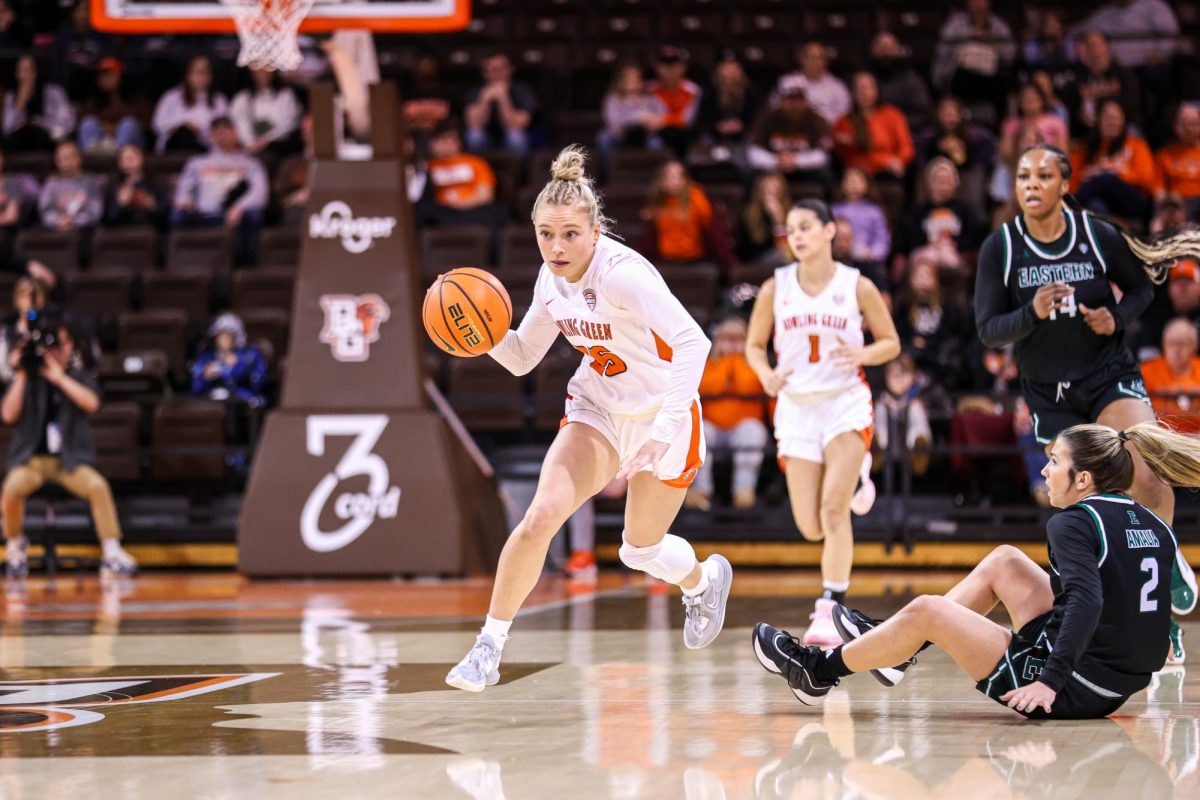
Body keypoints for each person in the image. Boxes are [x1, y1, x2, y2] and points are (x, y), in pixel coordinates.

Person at [444, 147, 733, 692]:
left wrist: (662, 433)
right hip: (597, 406)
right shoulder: (548, 280)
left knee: (638, 549)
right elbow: (524, 356)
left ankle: (701, 581)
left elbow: (695, 342)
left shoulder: (625, 276)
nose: (556, 247)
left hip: (661, 411)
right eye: (545, 235)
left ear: (595, 231)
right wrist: (481, 339)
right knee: (540, 516)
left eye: (570, 234)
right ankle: (488, 647)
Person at [753, 421, 1179, 717]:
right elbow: (1153, 628)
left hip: (1072, 690)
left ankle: (817, 670)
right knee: (1006, 561)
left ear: (1083, 479)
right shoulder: (1155, 524)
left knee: (927, 612)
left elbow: (1087, 600)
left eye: (1054, 461)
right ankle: (896, 653)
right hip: (1115, 685)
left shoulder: (1073, 522)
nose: (1045, 470)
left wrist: (1049, 681)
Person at [974, 143, 1200, 660]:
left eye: (1043, 175)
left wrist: (1115, 318)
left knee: (1146, 472)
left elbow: (1142, 288)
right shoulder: (1002, 247)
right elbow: (988, 331)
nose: (1031, 184)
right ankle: (1149, 617)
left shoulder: (1095, 235)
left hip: (1107, 374)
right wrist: (1030, 311)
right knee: (1086, 509)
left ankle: (1162, 569)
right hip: (1050, 394)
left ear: (1063, 183)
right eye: (1023, 176)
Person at [744, 199, 900, 647]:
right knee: (810, 526)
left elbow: (890, 342)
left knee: (833, 512)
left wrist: (863, 354)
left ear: (831, 230)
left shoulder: (858, 286)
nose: (797, 235)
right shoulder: (775, 287)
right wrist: (766, 373)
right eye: (790, 229)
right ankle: (854, 479)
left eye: (806, 226)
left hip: (843, 402)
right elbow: (755, 346)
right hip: (795, 406)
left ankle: (830, 608)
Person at [1, 317, 137, 577]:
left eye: (58, 343)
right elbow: (8, 415)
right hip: (32, 461)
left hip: (69, 461)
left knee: (97, 486)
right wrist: (20, 372)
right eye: (48, 344)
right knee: (11, 488)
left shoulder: (79, 376)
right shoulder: (28, 378)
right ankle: (16, 546)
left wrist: (60, 378)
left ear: (69, 346)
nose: (53, 350)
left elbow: (92, 403)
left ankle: (111, 550)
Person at [688, 316, 769, 511]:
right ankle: (701, 491)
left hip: (743, 427)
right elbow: (708, 386)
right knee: (701, 431)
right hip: (713, 427)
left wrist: (738, 360)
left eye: (737, 338)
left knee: (752, 431)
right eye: (726, 337)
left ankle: (744, 490)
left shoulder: (755, 363)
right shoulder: (706, 363)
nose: (731, 343)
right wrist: (725, 362)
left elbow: (749, 385)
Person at [171, 117, 267, 264]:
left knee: (254, 215)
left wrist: (239, 207)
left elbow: (260, 193)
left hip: (235, 217)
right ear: (211, 136)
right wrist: (185, 202)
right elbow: (183, 191)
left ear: (235, 133)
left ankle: (244, 266)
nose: (222, 135)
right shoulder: (197, 163)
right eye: (217, 131)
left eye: (226, 130)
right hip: (203, 216)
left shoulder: (250, 163)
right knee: (177, 216)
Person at [1070, 99, 1157, 222]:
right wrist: (1086, 175)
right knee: (1095, 205)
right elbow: (1071, 184)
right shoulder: (1086, 149)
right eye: (1107, 117)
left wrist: (1118, 171)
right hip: (1097, 203)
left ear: (1123, 121)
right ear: (1098, 120)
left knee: (1107, 178)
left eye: (1116, 118)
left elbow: (1147, 180)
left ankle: (1071, 205)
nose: (1112, 122)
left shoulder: (1137, 145)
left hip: (1131, 202)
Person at [932, 0, 1016, 125]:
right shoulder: (954, 24)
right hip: (960, 75)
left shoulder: (999, 25)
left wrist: (989, 42)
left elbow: (1010, 54)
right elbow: (941, 50)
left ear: (989, 3)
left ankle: (999, 124)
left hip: (990, 77)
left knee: (1006, 77)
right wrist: (968, 39)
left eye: (982, 1)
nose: (978, 4)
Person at [746, 78, 834, 195]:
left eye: (798, 100)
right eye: (790, 100)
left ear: (805, 101)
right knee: (751, 176)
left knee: (826, 176)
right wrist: (775, 161)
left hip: (804, 169)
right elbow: (754, 152)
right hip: (773, 167)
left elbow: (823, 155)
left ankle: (827, 210)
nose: (794, 105)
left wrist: (797, 161)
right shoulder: (767, 118)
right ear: (781, 100)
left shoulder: (816, 120)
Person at [639, 160, 732, 270]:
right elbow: (648, 243)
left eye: (678, 176)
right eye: (669, 176)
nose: (674, 180)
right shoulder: (656, 204)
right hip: (667, 261)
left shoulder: (696, 198)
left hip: (694, 259)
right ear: (661, 180)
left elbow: (713, 231)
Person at [833, 72, 915, 186]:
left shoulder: (893, 115)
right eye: (860, 88)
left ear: (877, 90)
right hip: (858, 173)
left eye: (868, 88)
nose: (864, 93)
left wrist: (900, 161)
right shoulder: (844, 121)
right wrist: (884, 161)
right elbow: (849, 158)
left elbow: (906, 147)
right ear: (853, 93)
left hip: (888, 170)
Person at [462, 52, 536, 156]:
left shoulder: (522, 91)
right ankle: (478, 169)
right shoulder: (475, 91)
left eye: (499, 69)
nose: (495, 74)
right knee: (474, 136)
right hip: (486, 138)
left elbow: (515, 125)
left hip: (511, 137)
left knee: (515, 137)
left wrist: (503, 98)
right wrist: (484, 100)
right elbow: (474, 125)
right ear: (484, 73)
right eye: (490, 70)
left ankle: (522, 172)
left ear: (510, 69)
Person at [151, 55, 228, 153]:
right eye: (198, 72)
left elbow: (225, 131)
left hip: (205, 148)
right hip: (173, 146)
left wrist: (200, 130)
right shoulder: (171, 97)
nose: (202, 76)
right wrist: (183, 125)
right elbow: (157, 125)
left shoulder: (219, 100)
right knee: (185, 133)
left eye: (206, 72)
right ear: (188, 75)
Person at [190, 312, 267, 408]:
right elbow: (195, 387)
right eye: (219, 336)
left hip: (241, 401)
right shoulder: (207, 357)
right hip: (214, 402)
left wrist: (236, 366)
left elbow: (257, 382)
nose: (223, 340)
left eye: (227, 336)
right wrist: (204, 376)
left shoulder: (250, 355)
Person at [1, 54, 74, 153]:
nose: (26, 75)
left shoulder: (54, 92)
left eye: (29, 70)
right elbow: (6, 129)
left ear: (36, 72)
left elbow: (68, 123)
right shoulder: (11, 96)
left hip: (48, 139)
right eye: (21, 70)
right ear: (16, 74)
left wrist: (43, 125)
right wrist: (20, 103)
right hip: (20, 143)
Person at [1141, 318, 1200, 436]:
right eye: (1171, 343)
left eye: (1182, 344)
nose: (1176, 350)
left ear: (1194, 345)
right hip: (1160, 435)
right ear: (1163, 344)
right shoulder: (1146, 371)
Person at [228, 67, 302, 159]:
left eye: (266, 68)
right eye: (258, 69)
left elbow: (288, 123)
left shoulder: (286, 95)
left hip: (280, 149)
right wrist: (250, 143)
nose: (262, 73)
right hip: (249, 150)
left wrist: (266, 140)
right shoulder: (242, 98)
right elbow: (239, 123)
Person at [77, 57, 146, 155]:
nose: (105, 79)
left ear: (121, 76)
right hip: (101, 142)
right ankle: (90, 156)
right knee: (88, 123)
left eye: (110, 75)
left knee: (128, 124)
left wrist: (115, 128)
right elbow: (82, 118)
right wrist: (103, 127)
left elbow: (145, 123)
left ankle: (117, 152)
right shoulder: (95, 100)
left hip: (130, 146)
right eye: (102, 76)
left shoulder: (134, 97)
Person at [771, 42, 850, 127]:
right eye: (810, 58)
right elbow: (774, 107)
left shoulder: (838, 87)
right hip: (793, 130)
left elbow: (844, 114)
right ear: (802, 60)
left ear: (825, 62)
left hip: (828, 130)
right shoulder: (787, 82)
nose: (814, 62)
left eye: (819, 58)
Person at [868, 31, 933, 133]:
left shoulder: (911, 80)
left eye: (889, 48)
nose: (886, 52)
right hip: (869, 131)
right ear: (873, 50)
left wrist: (895, 125)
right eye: (882, 47)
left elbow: (922, 114)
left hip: (902, 132)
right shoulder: (865, 78)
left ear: (898, 50)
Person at [597, 64, 664, 159]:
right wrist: (639, 118)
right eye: (629, 79)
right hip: (621, 135)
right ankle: (605, 172)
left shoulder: (648, 98)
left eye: (636, 79)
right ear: (621, 82)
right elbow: (613, 122)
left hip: (643, 134)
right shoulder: (613, 99)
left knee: (657, 144)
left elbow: (661, 114)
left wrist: (654, 121)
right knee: (603, 138)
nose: (633, 83)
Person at [695, 51, 760, 148]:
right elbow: (701, 120)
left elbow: (757, 117)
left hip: (743, 134)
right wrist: (718, 126)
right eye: (726, 67)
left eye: (735, 67)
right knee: (704, 140)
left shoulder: (750, 91)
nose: (731, 72)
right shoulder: (709, 91)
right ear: (718, 70)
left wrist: (742, 125)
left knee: (753, 141)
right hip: (715, 134)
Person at [646, 46, 701, 159]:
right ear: (657, 67)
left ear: (682, 68)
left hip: (685, 135)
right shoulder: (648, 90)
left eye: (674, 65)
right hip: (658, 135)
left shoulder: (692, 90)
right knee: (652, 143)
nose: (670, 70)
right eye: (665, 65)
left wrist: (664, 119)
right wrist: (668, 120)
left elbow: (687, 120)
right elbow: (649, 121)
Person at [38, 140, 103, 232]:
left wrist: (73, 222)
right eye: (63, 159)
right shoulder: (51, 184)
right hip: (57, 229)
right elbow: (45, 211)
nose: (67, 162)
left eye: (70, 157)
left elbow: (95, 211)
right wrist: (58, 221)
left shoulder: (91, 182)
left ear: (79, 158)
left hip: (84, 230)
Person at [831, 167, 890, 264]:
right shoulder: (835, 210)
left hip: (866, 259)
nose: (853, 185)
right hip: (838, 257)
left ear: (866, 184)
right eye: (850, 181)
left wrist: (873, 253)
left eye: (857, 181)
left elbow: (882, 239)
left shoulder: (874, 212)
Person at [734, 172, 792, 268]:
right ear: (759, 193)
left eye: (776, 192)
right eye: (768, 192)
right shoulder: (748, 215)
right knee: (782, 256)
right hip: (756, 259)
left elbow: (788, 249)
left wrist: (779, 221)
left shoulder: (791, 213)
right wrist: (777, 221)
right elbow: (747, 250)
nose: (772, 197)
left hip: (783, 256)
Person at [103, 144, 167, 229]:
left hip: (150, 228)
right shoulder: (115, 186)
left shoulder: (154, 183)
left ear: (141, 159)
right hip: (122, 231)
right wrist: (121, 204)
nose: (129, 162)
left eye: (132, 158)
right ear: (120, 164)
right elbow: (108, 219)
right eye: (125, 159)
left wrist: (153, 206)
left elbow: (166, 215)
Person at [1155, 104, 1200, 220]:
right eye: (1184, 124)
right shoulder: (1165, 154)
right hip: (1177, 204)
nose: (1189, 128)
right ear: (1176, 126)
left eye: (1193, 123)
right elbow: (1158, 190)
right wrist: (1169, 200)